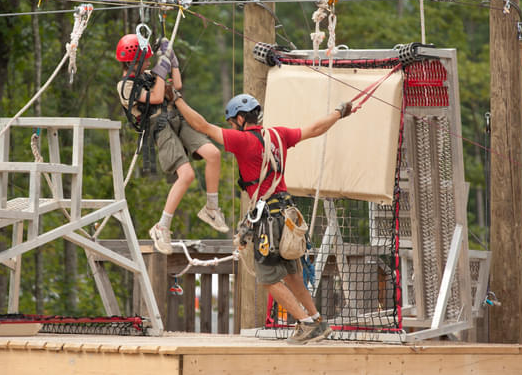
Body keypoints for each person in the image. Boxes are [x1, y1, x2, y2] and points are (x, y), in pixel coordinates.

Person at [167, 89, 352, 345]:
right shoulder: (280, 135)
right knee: (292, 275)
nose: (232, 126)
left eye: (233, 122)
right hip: (288, 214)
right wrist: (339, 112)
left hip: (269, 220)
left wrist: (176, 99)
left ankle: (306, 324)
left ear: (241, 119)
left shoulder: (243, 141)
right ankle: (317, 319)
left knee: (268, 279)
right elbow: (316, 128)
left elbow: (201, 125)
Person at [115, 34, 228, 255]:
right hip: (159, 126)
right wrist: (161, 68)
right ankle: (162, 226)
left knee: (213, 154)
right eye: (144, 60)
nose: (148, 64)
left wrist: (172, 62)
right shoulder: (125, 86)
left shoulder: (148, 75)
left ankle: (211, 208)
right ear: (132, 62)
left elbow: (176, 85)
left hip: (176, 119)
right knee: (186, 175)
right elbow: (156, 97)